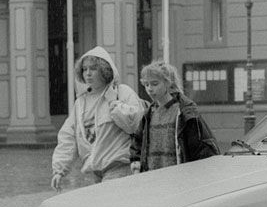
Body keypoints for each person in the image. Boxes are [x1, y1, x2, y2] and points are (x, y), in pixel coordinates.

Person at [51, 46, 145, 190]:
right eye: (84, 69)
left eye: (93, 68)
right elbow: (68, 138)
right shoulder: (80, 103)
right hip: (92, 172)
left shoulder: (122, 92)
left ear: (104, 70)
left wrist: (114, 103)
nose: (88, 73)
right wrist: (59, 170)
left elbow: (134, 125)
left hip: (119, 168)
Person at [131, 60, 220, 173]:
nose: (149, 89)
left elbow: (200, 147)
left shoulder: (184, 112)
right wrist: (136, 163)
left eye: (155, 84)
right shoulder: (148, 114)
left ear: (168, 83)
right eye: (146, 84)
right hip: (152, 178)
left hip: (178, 177)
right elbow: (137, 142)